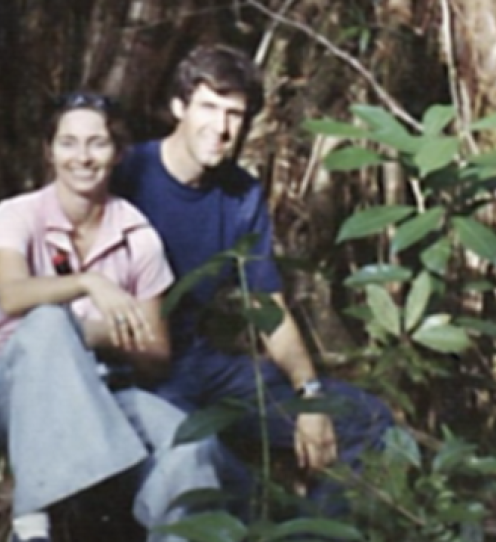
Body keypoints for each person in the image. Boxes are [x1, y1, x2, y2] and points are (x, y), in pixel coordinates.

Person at [113, 44, 394, 517]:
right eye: (208, 107)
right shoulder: (129, 174)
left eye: (234, 115)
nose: (221, 128)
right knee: (207, 466)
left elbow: (270, 307)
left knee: (367, 419)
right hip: (144, 374)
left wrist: (310, 396)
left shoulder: (239, 193)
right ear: (179, 107)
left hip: (204, 365)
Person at [0, 91, 218, 542]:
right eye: (68, 143)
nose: (82, 157)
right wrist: (89, 286)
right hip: (7, 394)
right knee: (47, 323)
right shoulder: (17, 214)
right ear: (49, 151)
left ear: (118, 153)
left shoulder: (137, 235)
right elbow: (14, 293)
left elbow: (156, 355)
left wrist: (97, 336)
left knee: (190, 441)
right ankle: (33, 523)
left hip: (98, 396)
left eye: (97, 143)